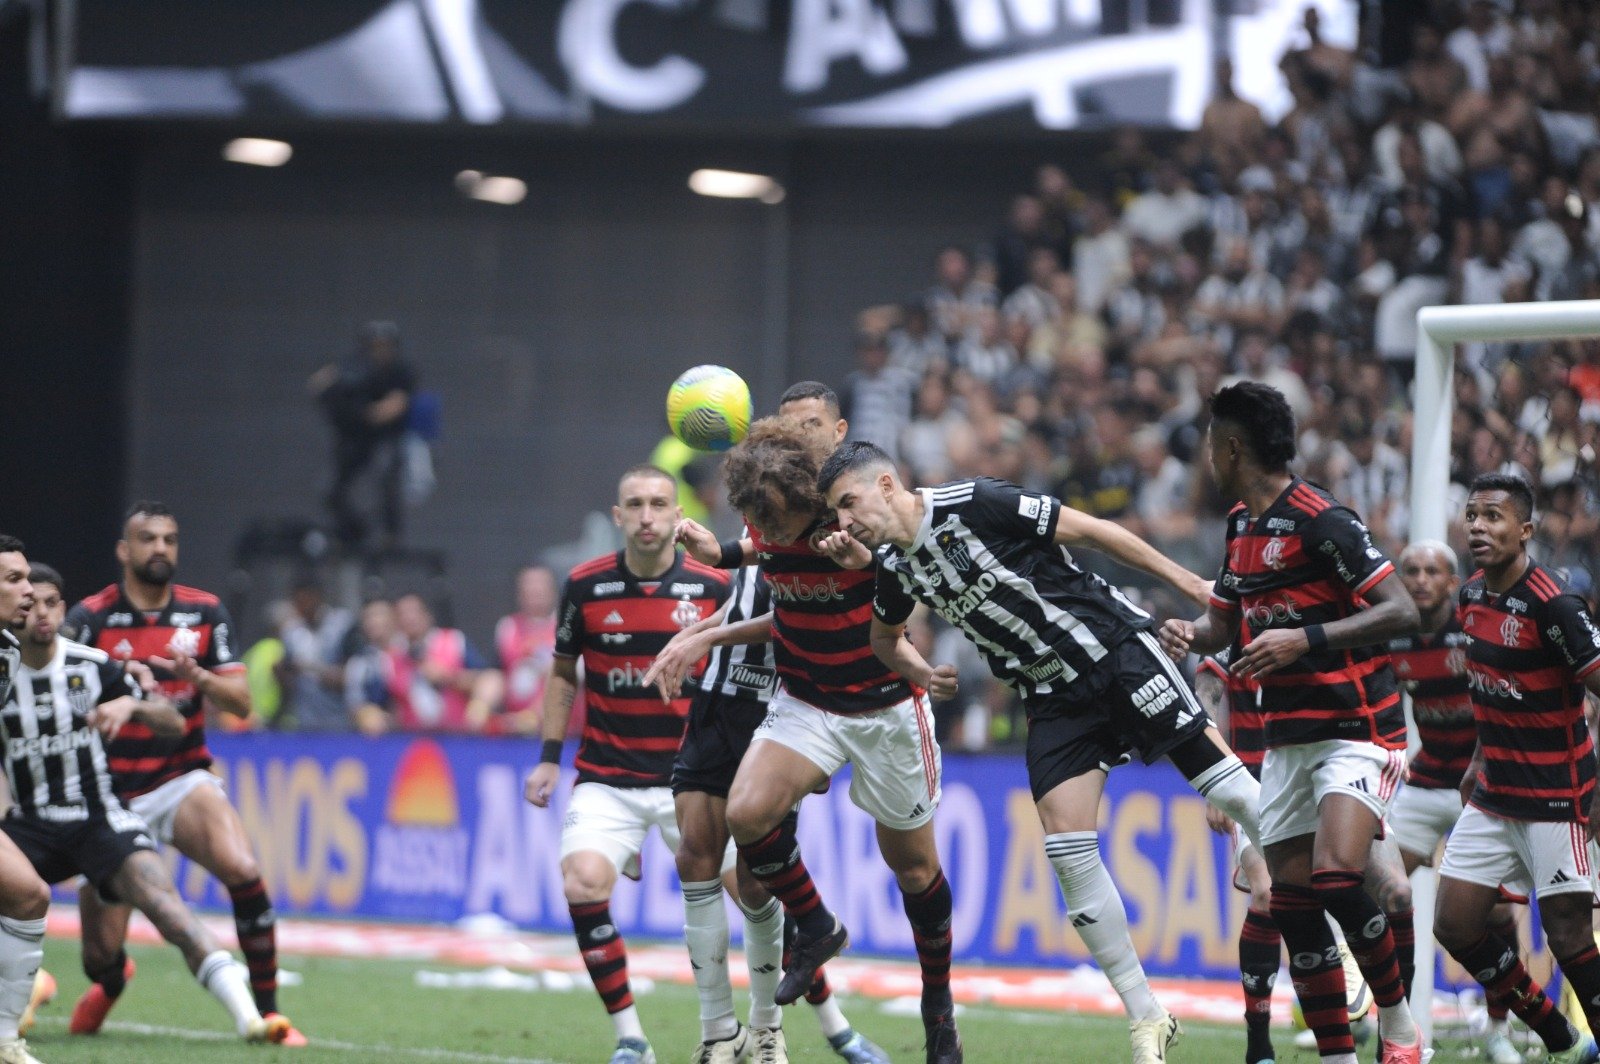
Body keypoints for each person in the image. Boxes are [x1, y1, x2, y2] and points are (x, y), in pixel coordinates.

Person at [817, 443, 1264, 1064]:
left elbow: (1095, 530)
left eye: (847, 503)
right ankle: (1147, 1017)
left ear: (887, 484)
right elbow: (883, 639)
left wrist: (1193, 585)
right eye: (835, 513)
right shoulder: (895, 567)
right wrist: (923, 672)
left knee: (1235, 793)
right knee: (1067, 851)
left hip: (1113, 650)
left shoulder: (976, 502)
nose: (843, 522)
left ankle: (1330, 931)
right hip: (1052, 697)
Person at [653, 410, 964, 1064]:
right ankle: (818, 926)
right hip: (806, 700)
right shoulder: (767, 524)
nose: (761, 534)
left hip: (885, 709)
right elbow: (773, 583)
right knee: (746, 813)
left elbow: (914, 592)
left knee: (914, 869)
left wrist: (873, 567)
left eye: (771, 524)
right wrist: (721, 565)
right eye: (753, 525)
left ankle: (938, 1006)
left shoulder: (853, 526)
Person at [1157, 382, 1423, 1064]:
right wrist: (1192, 632)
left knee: (1338, 879)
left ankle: (1398, 1031)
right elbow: (1222, 622)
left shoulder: (1320, 519)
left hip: (1358, 729)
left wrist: (1306, 640)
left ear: (1233, 447)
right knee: (1293, 905)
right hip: (1287, 742)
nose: (1207, 462)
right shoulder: (1242, 526)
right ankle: (1337, 1056)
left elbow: (1401, 611)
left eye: (1212, 447)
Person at [9, 565, 291, 1046]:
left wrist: (133, 706)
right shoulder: (3, 671)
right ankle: (36, 980)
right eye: (31, 601)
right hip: (31, 825)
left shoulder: (93, 664)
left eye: (52, 602)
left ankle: (254, 1019)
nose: (42, 612)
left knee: (165, 904)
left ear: (63, 608)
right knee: (97, 959)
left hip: (100, 819)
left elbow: (173, 722)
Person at [523, 465, 731, 1064]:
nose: (646, 516)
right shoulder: (585, 586)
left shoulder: (714, 588)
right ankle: (632, 1039)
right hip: (608, 779)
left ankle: (814, 1023)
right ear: (618, 517)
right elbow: (564, 675)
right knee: (582, 883)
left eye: (658, 504)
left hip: (691, 781)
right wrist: (547, 761)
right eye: (634, 505)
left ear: (677, 516)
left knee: (758, 889)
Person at [1430, 473, 1600, 1064]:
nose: (1479, 526)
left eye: (1494, 516)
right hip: (1495, 792)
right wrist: (1477, 759)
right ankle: (1549, 1026)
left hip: (1557, 794)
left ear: (1524, 530)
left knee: (1569, 934)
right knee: (1452, 923)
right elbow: (1489, 690)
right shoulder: (1471, 596)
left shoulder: (1554, 604)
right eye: (1473, 515)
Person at [1384, 540, 1522, 1064]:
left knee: (1493, 919)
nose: (1418, 579)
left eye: (1430, 572)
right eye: (1410, 571)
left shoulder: (1475, 627)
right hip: (1425, 780)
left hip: (1486, 789)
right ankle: (1390, 1022)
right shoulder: (1390, 630)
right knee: (1372, 889)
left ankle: (1498, 1032)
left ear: (1451, 581)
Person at [0, 540, 58, 1064]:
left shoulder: (7, 651)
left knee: (29, 895)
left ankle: (3, 1041)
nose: (28, 590)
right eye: (14, 579)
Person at [308, 320, 416, 549]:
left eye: (385, 345)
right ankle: (351, 531)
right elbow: (317, 386)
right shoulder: (352, 369)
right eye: (375, 345)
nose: (380, 351)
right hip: (354, 441)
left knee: (386, 477)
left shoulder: (400, 372)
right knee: (332, 490)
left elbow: (394, 406)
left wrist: (361, 413)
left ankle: (390, 535)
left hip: (383, 438)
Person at [383, 593, 502, 732]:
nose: (410, 619)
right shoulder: (389, 657)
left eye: (414, 612)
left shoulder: (453, 640)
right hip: (410, 740)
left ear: (427, 616)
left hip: (456, 736)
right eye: (403, 614)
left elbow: (488, 678)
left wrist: (448, 677)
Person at [494, 565, 560, 736]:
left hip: (558, 727)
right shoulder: (507, 627)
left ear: (552, 591)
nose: (534, 590)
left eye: (540, 586)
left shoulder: (567, 627)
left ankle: (529, 717)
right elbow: (503, 671)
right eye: (529, 586)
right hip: (514, 721)